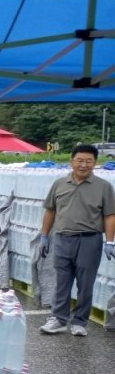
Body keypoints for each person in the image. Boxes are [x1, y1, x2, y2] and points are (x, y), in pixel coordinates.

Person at [39, 144, 115, 336]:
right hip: (63, 238)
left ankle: (80, 321)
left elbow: (109, 215)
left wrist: (110, 241)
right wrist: (44, 236)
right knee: (62, 281)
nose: (83, 165)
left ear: (95, 163)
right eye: (79, 160)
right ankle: (58, 319)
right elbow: (50, 211)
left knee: (85, 283)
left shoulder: (103, 187)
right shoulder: (59, 184)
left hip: (90, 240)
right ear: (71, 161)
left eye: (89, 161)